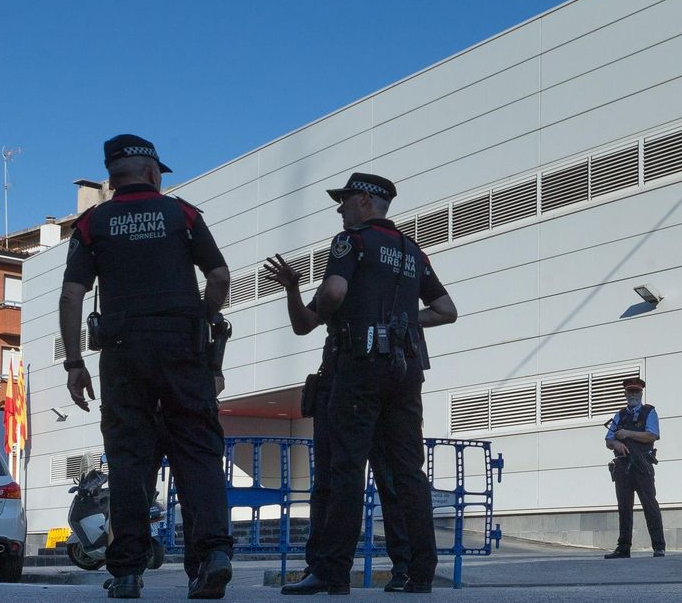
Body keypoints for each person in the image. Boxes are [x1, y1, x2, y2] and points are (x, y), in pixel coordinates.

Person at [60, 134, 234, 600]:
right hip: (183, 346)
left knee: (130, 460)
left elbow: (71, 294)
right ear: (154, 172)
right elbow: (218, 277)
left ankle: (128, 573)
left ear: (112, 177)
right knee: (197, 452)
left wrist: (75, 363)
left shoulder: (93, 223)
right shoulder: (183, 214)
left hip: (122, 351)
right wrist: (205, 319)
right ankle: (213, 557)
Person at [283, 173, 457, 596]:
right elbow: (446, 310)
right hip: (404, 370)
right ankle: (418, 572)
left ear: (363, 201)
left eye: (343, 201)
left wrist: (321, 301)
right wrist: (396, 322)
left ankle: (332, 572)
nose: (340, 209)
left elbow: (334, 295)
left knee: (345, 468)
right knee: (407, 473)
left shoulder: (351, 241)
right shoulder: (413, 252)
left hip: (357, 368)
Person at [265, 251, 419, 592]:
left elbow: (305, 322)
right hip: (358, 384)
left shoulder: (355, 274)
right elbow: (305, 322)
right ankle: (397, 568)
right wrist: (293, 289)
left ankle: (330, 570)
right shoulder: (388, 270)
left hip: (350, 387)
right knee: (368, 480)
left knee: (345, 481)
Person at [603, 377, 665, 559]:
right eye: (630, 392)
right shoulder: (619, 415)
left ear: (641, 393)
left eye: (636, 392)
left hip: (642, 465)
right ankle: (623, 548)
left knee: (650, 505)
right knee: (624, 507)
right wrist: (616, 444)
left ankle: (659, 547)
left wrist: (628, 434)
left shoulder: (649, 412)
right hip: (622, 466)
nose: (633, 395)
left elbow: (652, 435)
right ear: (625, 394)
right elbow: (608, 439)